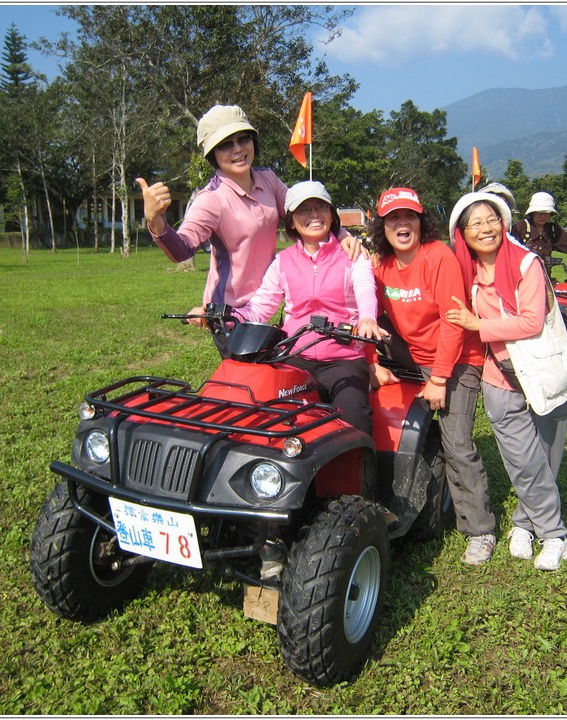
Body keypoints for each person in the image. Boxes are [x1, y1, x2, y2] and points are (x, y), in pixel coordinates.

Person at [135, 104, 360, 354]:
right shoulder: (212, 198)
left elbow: (305, 215)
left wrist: (342, 235)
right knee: (248, 385)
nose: (238, 149)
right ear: (212, 153)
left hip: (269, 303)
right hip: (230, 313)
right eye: (225, 144)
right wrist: (155, 220)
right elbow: (182, 249)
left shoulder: (269, 180)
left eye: (243, 139)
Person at [367, 187, 496, 566]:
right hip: (408, 356)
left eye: (409, 216)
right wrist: (369, 363)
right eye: (393, 218)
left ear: (422, 221)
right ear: (382, 226)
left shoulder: (437, 257)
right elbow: (363, 311)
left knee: (456, 443)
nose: (401, 224)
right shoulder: (381, 265)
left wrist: (439, 378)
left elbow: (453, 324)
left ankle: (480, 529)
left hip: (456, 360)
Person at [446, 191, 567, 571]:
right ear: (462, 233)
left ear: (502, 224)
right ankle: (554, 534)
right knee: (522, 462)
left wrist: (478, 325)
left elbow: (532, 322)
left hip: (541, 372)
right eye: (475, 223)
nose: (485, 229)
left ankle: (525, 522)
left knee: (546, 459)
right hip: (498, 378)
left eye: (491, 220)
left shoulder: (525, 264)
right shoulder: (463, 271)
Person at [233, 181, 387, 434]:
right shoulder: (282, 261)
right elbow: (260, 307)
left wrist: (368, 318)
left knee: (354, 420)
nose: (314, 215)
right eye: (304, 210)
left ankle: (359, 472)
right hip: (295, 358)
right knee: (270, 417)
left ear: (331, 214)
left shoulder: (353, 255)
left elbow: (365, 290)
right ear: (292, 221)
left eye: (320, 207)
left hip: (343, 360)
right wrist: (229, 317)